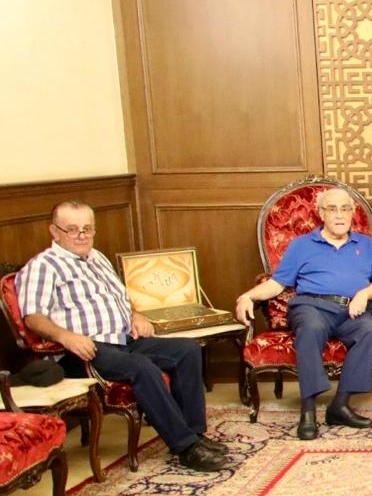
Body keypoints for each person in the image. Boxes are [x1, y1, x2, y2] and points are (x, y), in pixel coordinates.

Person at [18, 201, 228, 472]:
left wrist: (135, 315)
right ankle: (186, 448)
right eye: (72, 229)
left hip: (123, 340)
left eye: (87, 229)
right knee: (142, 367)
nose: (82, 235)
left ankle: (195, 433)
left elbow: (121, 298)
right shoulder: (43, 266)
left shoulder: (97, 257)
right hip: (85, 349)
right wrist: (66, 336)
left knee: (188, 349)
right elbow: (33, 317)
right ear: (54, 231)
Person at [235, 187, 372, 440]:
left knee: (369, 330)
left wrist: (364, 294)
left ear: (352, 212)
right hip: (312, 306)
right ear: (321, 213)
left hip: (351, 308)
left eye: (345, 209)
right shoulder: (302, 245)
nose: (339, 215)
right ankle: (307, 412)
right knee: (311, 328)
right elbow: (277, 283)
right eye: (332, 209)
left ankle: (339, 406)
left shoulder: (365, 244)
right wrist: (248, 296)